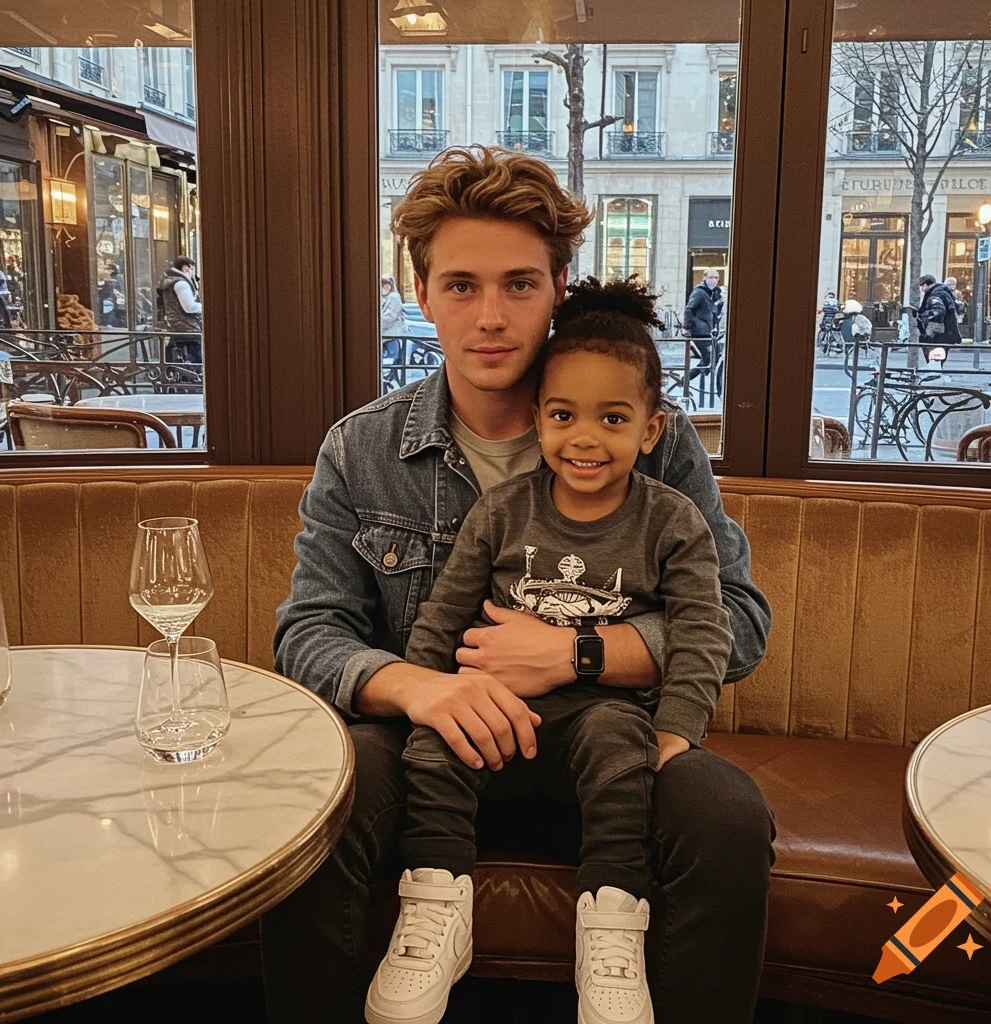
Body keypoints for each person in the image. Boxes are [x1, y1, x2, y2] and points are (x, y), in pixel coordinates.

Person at [266, 146, 775, 1024]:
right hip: (436, 755)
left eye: (520, 285)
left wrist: (578, 654)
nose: (491, 317)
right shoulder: (362, 449)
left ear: (560, 288)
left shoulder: (653, 439)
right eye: (461, 285)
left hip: (613, 745)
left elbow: (739, 620)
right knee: (320, 798)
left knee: (725, 815)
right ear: (420, 292)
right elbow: (308, 631)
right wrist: (420, 687)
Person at [364, 278, 734, 1024]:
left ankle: (612, 926)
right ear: (539, 420)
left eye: (614, 418)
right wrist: (423, 699)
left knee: (616, 748)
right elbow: (443, 614)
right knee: (435, 748)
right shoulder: (503, 511)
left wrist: (678, 730)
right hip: (492, 709)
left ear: (652, 430)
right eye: (564, 416)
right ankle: (435, 907)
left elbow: (707, 628)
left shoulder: (673, 520)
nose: (586, 439)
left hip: (601, 716)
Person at [158, 255, 203, 364]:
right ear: (185, 268)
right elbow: (189, 307)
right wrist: (204, 307)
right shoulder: (181, 284)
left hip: (178, 324)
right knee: (194, 357)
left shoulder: (172, 281)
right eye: (191, 268)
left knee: (179, 353)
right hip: (187, 326)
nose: (193, 271)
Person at [682, 268, 721, 382]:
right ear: (704, 278)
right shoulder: (699, 292)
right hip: (699, 331)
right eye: (710, 277)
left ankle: (687, 379)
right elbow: (689, 309)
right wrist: (686, 327)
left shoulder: (711, 293)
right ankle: (687, 380)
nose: (713, 280)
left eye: (716, 278)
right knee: (709, 357)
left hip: (706, 330)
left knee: (711, 356)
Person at [917, 274, 962, 365]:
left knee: (934, 359)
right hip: (947, 332)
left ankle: (935, 375)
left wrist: (924, 316)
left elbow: (939, 311)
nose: (921, 289)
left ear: (926, 285)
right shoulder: (943, 292)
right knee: (938, 361)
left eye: (922, 286)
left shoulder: (935, 295)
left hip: (937, 334)